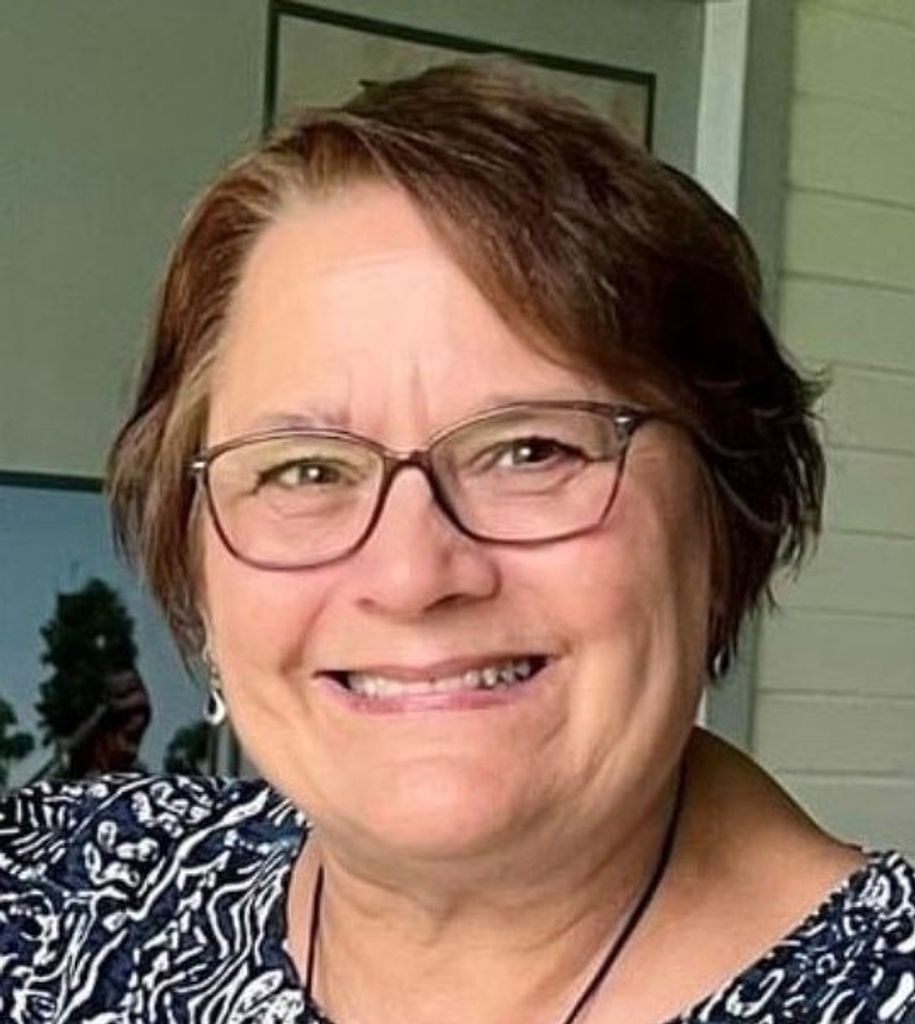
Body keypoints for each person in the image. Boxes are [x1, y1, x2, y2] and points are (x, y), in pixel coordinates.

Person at [1, 62, 913, 1024]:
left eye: (530, 451)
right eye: (306, 470)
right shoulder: (62, 896)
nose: (410, 575)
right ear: (196, 573)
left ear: (725, 513)